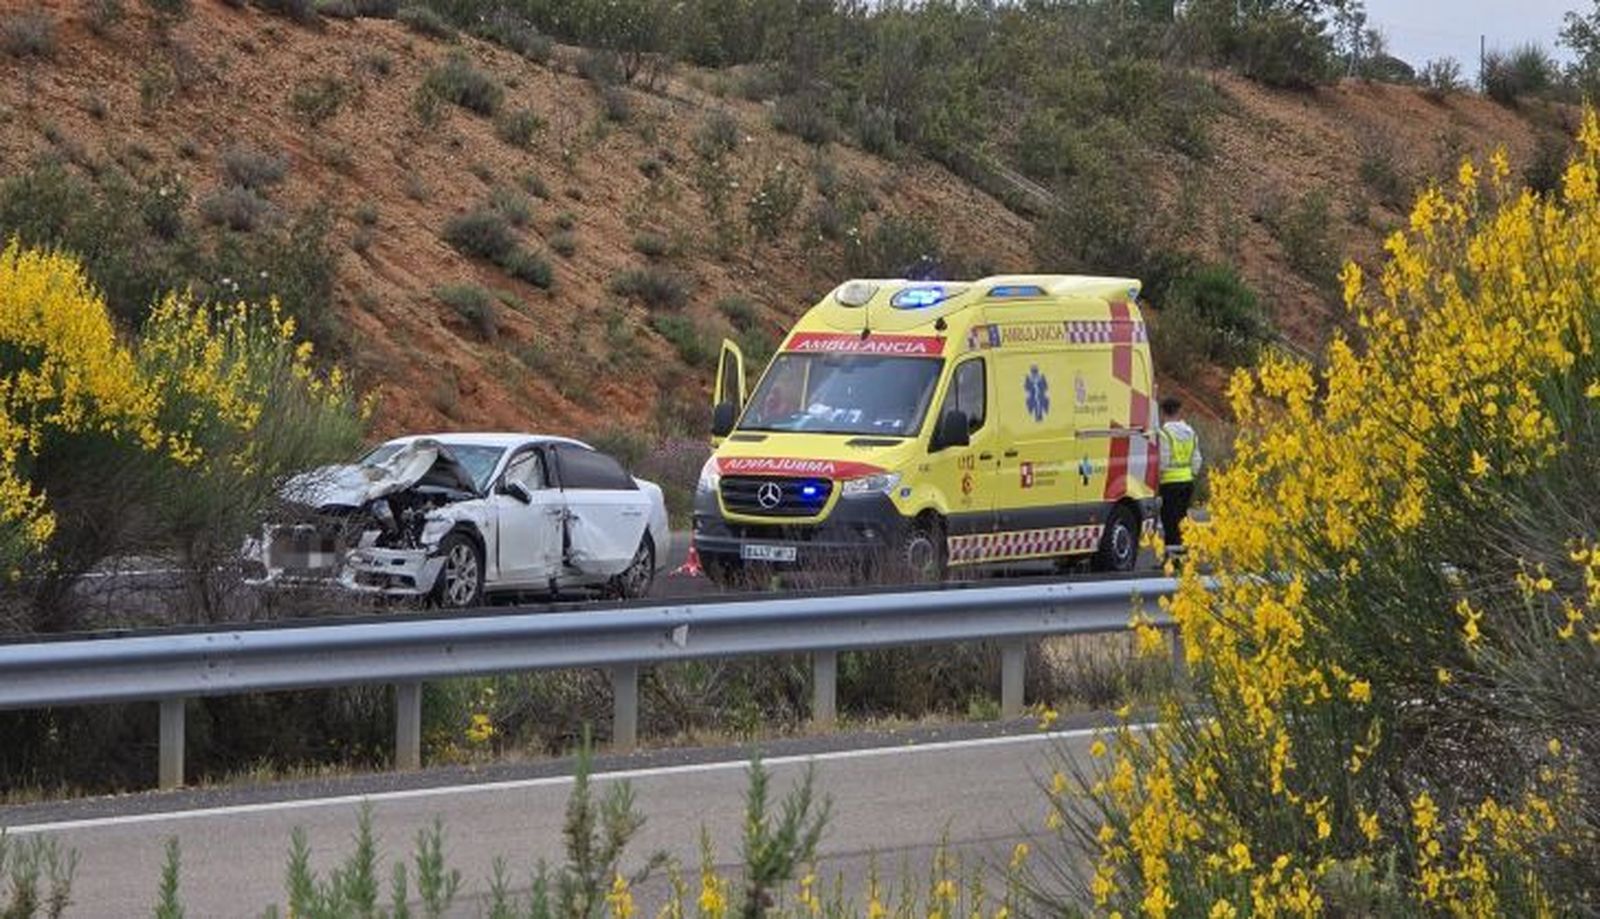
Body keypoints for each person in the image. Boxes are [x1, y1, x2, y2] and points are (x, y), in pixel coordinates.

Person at [1157, 396, 1202, 558]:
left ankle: (1172, 559)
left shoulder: (1164, 434)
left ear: (1163, 413)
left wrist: (1157, 479)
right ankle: (1183, 553)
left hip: (1169, 483)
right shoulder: (1190, 432)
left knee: (1169, 521)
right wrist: (1191, 474)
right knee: (1182, 519)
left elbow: (1163, 460)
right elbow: (1197, 459)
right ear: (1179, 411)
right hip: (1187, 482)